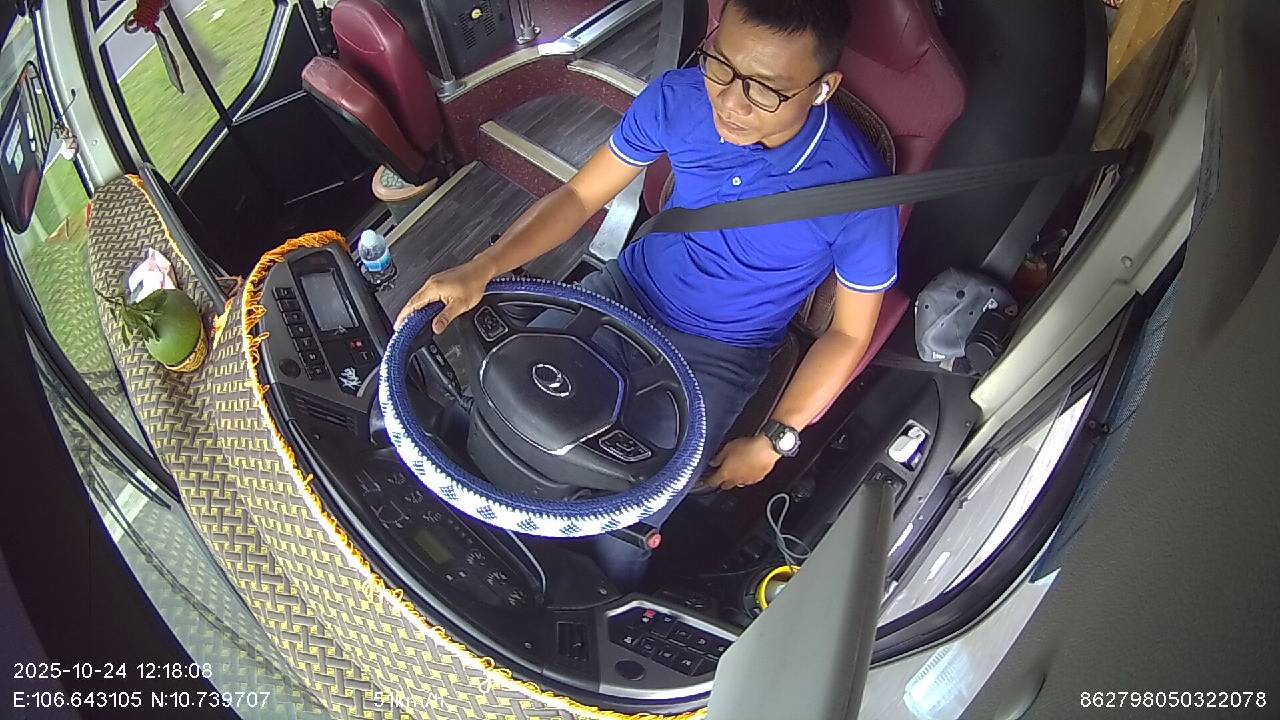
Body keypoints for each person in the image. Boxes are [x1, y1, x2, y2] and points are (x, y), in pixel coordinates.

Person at [396, 0, 898, 587]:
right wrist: (483, 267)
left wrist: (775, 439)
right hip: (621, 292)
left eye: (764, 90)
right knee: (495, 402)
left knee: (624, 511)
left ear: (821, 89)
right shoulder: (678, 98)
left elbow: (847, 333)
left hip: (722, 353)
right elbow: (580, 196)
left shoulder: (858, 193)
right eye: (722, 66)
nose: (730, 103)